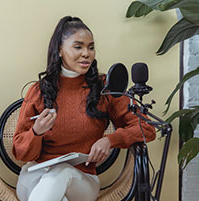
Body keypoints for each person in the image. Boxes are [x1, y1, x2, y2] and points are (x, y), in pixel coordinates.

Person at [12, 16, 156, 201]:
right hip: (34, 178)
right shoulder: (39, 91)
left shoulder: (105, 87)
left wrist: (110, 140)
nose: (86, 53)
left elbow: (147, 129)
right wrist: (36, 132)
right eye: (78, 47)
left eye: (91, 47)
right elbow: (20, 153)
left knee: (61, 173)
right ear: (60, 50)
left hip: (81, 181)